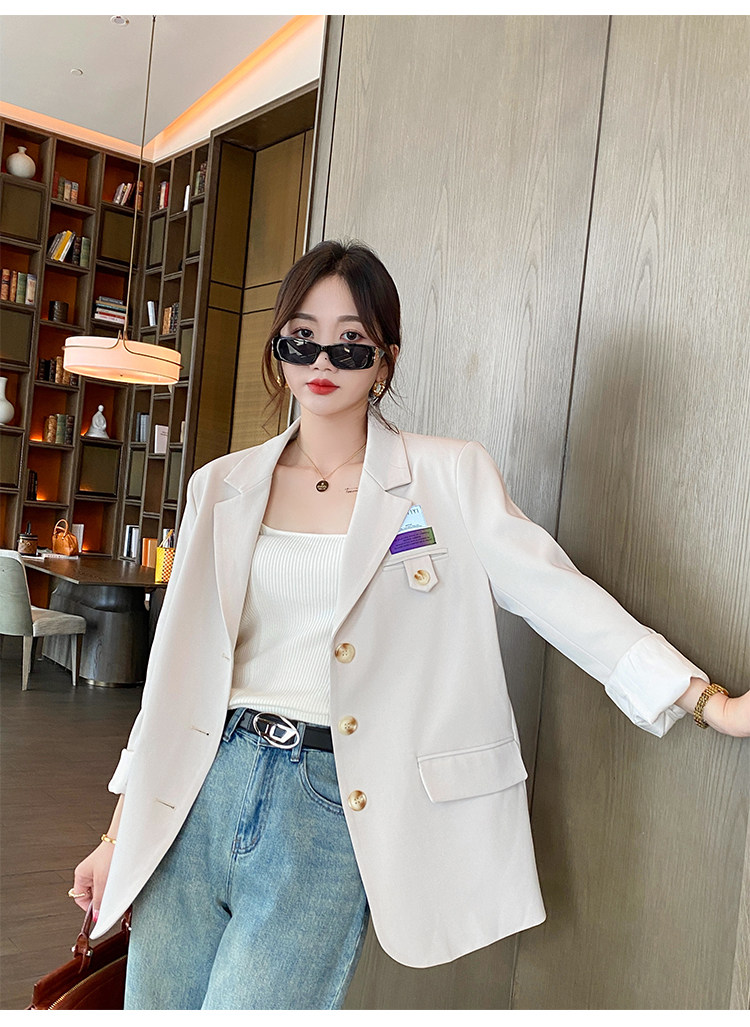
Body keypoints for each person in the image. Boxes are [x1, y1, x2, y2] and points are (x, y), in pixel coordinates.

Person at [70, 240, 750, 1010]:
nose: (323, 359)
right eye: (302, 337)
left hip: (329, 797)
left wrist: (706, 700)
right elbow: (174, 677)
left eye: (350, 343)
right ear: (278, 348)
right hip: (200, 784)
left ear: (385, 362)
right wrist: (116, 834)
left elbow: (555, 593)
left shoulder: (445, 476)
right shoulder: (221, 485)